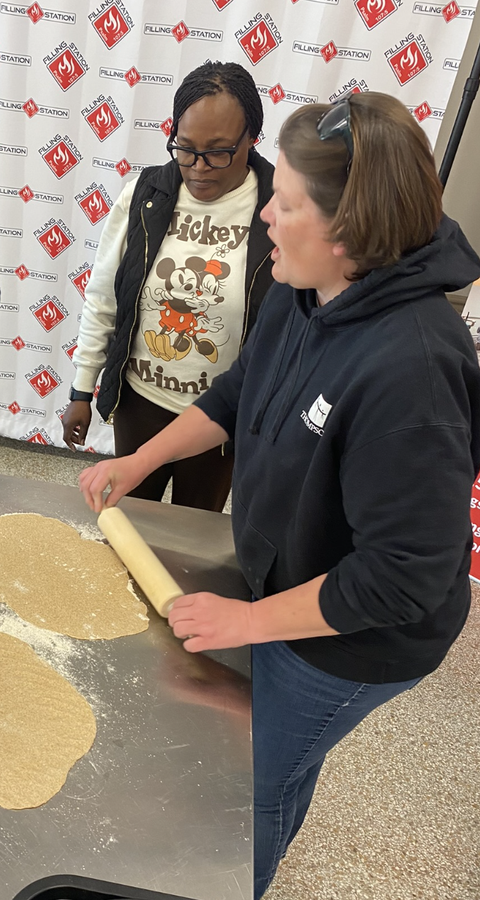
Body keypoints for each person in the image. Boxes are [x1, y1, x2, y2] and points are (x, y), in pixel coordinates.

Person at [78, 92, 480, 897]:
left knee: (250, 787)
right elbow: (236, 391)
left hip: (355, 640)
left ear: (349, 230)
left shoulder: (412, 372)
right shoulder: (309, 289)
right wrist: (138, 457)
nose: (266, 217)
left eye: (286, 203)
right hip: (291, 576)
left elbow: (402, 577)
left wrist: (250, 622)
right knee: (265, 761)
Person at [62, 61, 274, 512]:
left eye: (218, 152)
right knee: (131, 527)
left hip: (223, 419)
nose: (198, 168)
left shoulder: (278, 207)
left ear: (251, 138)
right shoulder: (145, 195)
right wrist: (82, 391)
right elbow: (104, 298)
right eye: (185, 149)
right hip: (143, 403)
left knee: (196, 537)